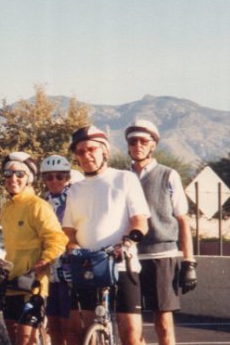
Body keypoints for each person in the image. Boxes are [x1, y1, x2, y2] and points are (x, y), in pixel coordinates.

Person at [62, 125, 151, 345]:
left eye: (91, 149)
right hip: (87, 267)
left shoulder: (125, 179)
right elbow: (68, 231)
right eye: (80, 152)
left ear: (105, 151)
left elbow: (140, 221)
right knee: (87, 334)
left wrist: (130, 240)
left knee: (130, 333)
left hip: (121, 264)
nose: (86, 155)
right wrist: (72, 247)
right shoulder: (74, 189)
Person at [126, 120, 197, 345]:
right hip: (130, 257)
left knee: (163, 323)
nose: (138, 145)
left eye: (143, 141)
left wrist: (189, 262)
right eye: (133, 141)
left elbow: (183, 219)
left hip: (162, 256)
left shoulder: (169, 175)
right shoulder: (122, 178)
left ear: (153, 145)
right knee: (131, 325)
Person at [0, 152, 68, 345]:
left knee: (25, 340)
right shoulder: (6, 208)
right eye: (8, 174)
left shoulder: (38, 206)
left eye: (20, 174)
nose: (13, 179)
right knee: (14, 340)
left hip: (33, 285)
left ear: (29, 178)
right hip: (12, 283)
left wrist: (44, 260)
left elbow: (57, 238)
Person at [39, 155, 77, 345]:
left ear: (67, 177)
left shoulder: (75, 198)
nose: (54, 181)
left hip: (70, 271)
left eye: (59, 176)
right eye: (49, 177)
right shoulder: (43, 202)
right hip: (50, 272)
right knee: (53, 326)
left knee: (71, 326)